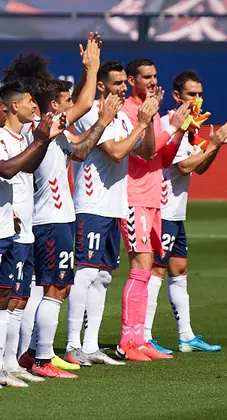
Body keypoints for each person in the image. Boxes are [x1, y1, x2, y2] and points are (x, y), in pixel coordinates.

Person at [18, 33, 125, 379]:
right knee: (53, 287)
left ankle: (31, 353)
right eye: (64, 101)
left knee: (46, 286)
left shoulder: (50, 128)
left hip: (52, 217)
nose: (72, 106)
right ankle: (41, 357)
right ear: (52, 106)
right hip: (50, 218)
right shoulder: (45, 131)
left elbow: (79, 127)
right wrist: (101, 113)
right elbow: (81, 139)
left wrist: (90, 71)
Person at [64, 60, 158, 367]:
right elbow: (117, 152)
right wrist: (141, 125)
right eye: (117, 84)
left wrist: (149, 118)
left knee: (103, 276)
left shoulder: (119, 119)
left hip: (113, 206)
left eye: (123, 84)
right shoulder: (93, 113)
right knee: (87, 273)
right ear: (102, 86)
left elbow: (145, 152)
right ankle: (72, 344)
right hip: (90, 204)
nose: (123, 88)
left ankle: (90, 346)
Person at [145, 70, 227, 355]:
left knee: (179, 270)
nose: (197, 99)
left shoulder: (190, 130)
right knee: (157, 271)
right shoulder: (169, 126)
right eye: (192, 94)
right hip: (161, 210)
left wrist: (216, 147)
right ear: (177, 97)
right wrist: (213, 145)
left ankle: (186, 336)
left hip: (177, 214)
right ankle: (144, 336)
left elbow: (199, 167)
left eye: (200, 94)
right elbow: (183, 167)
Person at [0, 83, 62, 387]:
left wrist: (42, 141)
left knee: (3, 298)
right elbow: (8, 170)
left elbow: (25, 167)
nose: (2, 109)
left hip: (9, 228)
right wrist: (39, 139)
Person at [115, 57, 192, 362]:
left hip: (153, 197)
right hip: (134, 197)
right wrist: (170, 125)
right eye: (145, 76)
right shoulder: (130, 111)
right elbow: (145, 152)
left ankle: (139, 338)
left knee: (146, 269)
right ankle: (127, 341)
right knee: (140, 267)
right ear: (132, 80)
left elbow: (162, 157)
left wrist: (180, 130)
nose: (152, 81)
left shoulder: (152, 110)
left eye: (155, 75)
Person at [0, 81, 47, 384]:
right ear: (15, 106)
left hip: (26, 230)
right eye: (29, 101)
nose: (33, 106)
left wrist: (45, 138)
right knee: (8, 300)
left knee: (21, 300)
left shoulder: (23, 136)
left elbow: (31, 169)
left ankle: (11, 362)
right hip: (9, 229)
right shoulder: (0, 139)